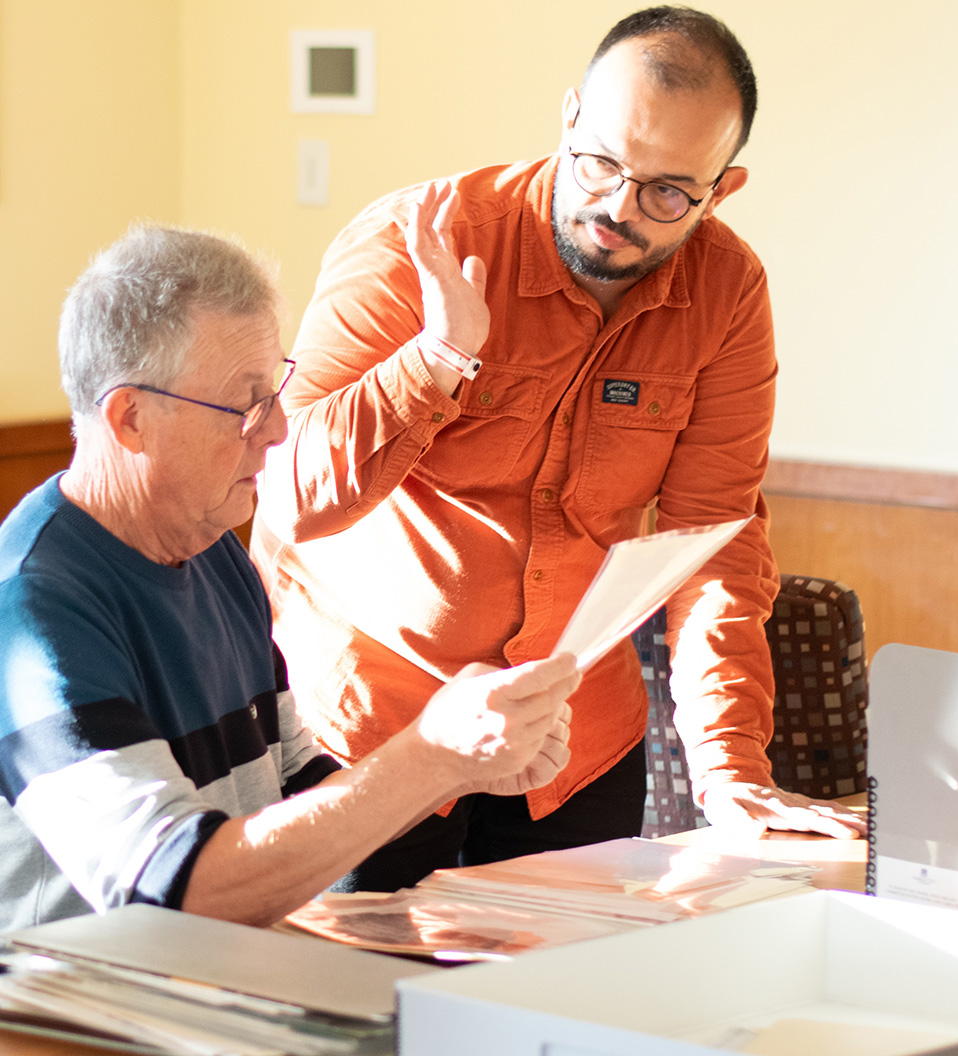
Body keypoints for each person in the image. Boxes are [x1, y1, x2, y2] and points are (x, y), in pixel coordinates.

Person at [251, 5, 866, 892]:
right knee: (357, 1018)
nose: (619, 208)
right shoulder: (416, 241)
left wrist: (729, 768)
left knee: (555, 1015)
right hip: (372, 729)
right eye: (603, 162)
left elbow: (715, 540)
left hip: (570, 742)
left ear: (720, 190)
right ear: (570, 116)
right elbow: (290, 495)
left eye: (666, 192)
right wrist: (436, 360)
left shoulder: (728, 292)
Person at [0, 225, 580, 933]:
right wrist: (431, 755)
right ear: (131, 419)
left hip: (202, 988)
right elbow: (179, 890)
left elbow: (295, 783)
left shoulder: (211, 548)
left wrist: (465, 769)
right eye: (245, 405)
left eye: (276, 392)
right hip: (63, 1016)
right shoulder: (33, 607)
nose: (277, 430)